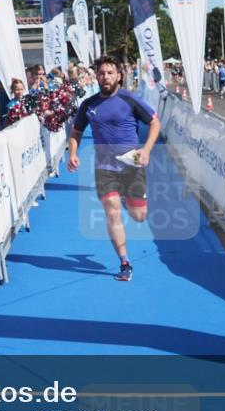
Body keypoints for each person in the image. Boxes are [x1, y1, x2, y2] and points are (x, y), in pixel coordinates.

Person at [67, 56, 161, 282]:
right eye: (101, 73)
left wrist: (146, 150)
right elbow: (76, 133)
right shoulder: (88, 105)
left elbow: (155, 122)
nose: (105, 77)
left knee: (139, 216)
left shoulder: (130, 99)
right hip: (104, 168)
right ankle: (125, 262)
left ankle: (132, 200)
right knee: (112, 211)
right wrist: (73, 153)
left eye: (110, 73)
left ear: (119, 76)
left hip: (132, 165)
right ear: (96, 76)